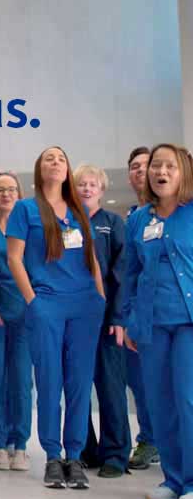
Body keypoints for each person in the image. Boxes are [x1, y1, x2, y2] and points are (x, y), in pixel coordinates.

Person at [7, 146, 105, 489]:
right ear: (39, 168)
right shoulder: (25, 208)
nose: (55, 162)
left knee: (79, 384)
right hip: (46, 304)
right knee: (49, 382)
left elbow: (92, 258)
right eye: (49, 158)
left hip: (85, 307)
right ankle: (52, 455)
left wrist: (100, 296)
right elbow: (14, 259)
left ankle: (74, 456)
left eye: (61, 158)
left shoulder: (79, 210)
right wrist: (33, 301)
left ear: (68, 170)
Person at [124, 144, 193, 499]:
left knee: (187, 399)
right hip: (151, 323)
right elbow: (130, 274)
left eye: (169, 166)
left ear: (183, 173)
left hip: (188, 322)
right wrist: (129, 320)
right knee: (160, 403)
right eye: (155, 166)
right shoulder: (139, 218)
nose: (160, 171)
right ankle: (173, 480)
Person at [73, 164, 130, 478]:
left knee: (110, 388)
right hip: (76, 320)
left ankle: (116, 454)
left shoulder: (112, 224)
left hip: (107, 320)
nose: (86, 188)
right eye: (81, 183)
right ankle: (87, 450)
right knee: (79, 387)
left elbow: (121, 274)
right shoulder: (68, 223)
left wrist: (119, 317)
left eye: (92, 184)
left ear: (102, 189)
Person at [0, 172, 32, 471]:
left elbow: (36, 269)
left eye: (11, 189)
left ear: (19, 193)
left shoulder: (30, 229)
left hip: (25, 313)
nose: (6, 194)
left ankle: (20, 444)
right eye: (0, 189)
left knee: (22, 381)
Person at [124, 146, 160, 470]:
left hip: (173, 314)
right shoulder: (132, 219)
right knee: (141, 383)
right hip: (137, 316)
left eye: (146, 166)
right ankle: (149, 439)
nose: (141, 171)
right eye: (135, 166)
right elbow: (128, 273)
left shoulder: (178, 213)